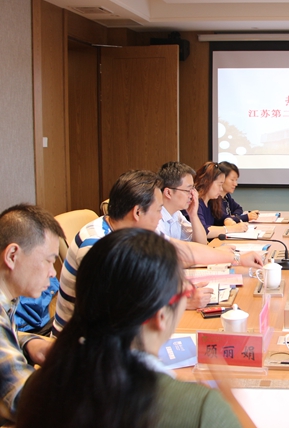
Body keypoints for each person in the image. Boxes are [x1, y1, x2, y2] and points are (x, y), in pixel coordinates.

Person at [18, 229, 244, 428]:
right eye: (186, 291)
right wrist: (230, 404)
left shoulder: (38, 386)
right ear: (161, 316)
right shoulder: (199, 409)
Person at [53, 170, 262, 336]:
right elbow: (117, 312)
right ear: (137, 212)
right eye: (158, 210)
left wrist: (237, 258)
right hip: (84, 352)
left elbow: (182, 250)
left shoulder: (128, 229)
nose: (161, 217)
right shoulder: (97, 246)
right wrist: (179, 300)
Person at [0, 204, 64, 424]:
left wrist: (29, 343)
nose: (52, 272)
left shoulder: (7, 298)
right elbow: (28, 404)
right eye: (48, 260)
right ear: (12, 255)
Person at [157, 161, 207, 244]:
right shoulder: (155, 219)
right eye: (188, 190)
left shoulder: (176, 214)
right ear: (168, 193)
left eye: (193, 189)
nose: (192, 195)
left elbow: (202, 243)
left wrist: (193, 215)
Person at [194, 161, 248, 238]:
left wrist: (227, 219)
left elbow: (222, 218)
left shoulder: (210, 202)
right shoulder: (196, 203)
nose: (221, 189)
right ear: (207, 182)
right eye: (219, 185)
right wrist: (233, 229)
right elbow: (203, 230)